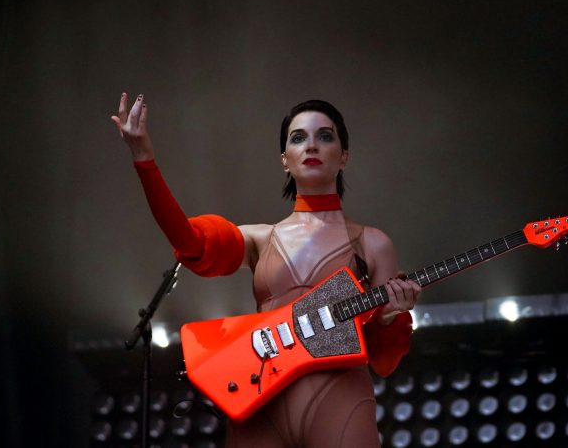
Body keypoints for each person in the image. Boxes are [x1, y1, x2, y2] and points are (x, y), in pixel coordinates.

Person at [111, 92, 422, 448]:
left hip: (340, 402)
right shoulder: (261, 239)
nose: (312, 145)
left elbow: (384, 362)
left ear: (344, 156)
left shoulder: (372, 244)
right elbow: (189, 242)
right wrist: (144, 160)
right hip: (260, 402)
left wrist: (390, 317)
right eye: (298, 137)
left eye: (325, 136)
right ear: (285, 160)